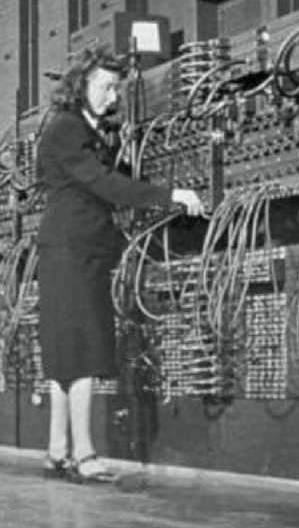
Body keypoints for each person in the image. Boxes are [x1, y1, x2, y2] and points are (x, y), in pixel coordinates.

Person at [36, 44, 204, 483]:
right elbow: (103, 182)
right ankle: (85, 454)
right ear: (80, 86)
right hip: (73, 250)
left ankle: (59, 449)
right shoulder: (67, 128)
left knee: (66, 350)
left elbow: (115, 175)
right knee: (84, 348)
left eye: (117, 87)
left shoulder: (86, 132)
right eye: (106, 86)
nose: (113, 96)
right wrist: (170, 197)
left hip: (76, 249)